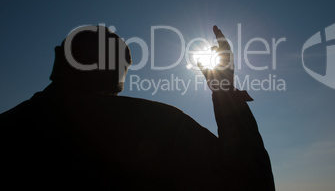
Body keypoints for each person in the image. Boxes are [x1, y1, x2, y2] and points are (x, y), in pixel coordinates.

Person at [0, 25, 275, 190]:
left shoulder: (10, 126)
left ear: (58, 58)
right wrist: (224, 90)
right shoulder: (161, 125)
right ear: (121, 71)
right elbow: (251, 182)